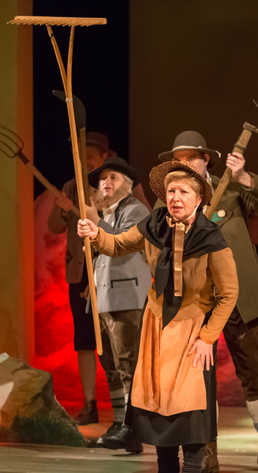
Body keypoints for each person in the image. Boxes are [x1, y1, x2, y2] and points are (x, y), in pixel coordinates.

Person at [77, 160, 238, 473]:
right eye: (171, 191)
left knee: (190, 412)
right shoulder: (154, 226)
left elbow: (229, 293)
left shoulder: (211, 239)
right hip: (156, 327)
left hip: (192, 332)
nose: (176, 197)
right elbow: (117, 244)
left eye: (184, 191)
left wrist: (207, 338)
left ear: (198, 198)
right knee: (160, 408)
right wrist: (95, 233)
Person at [157, 130, 258, 472]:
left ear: (206, 160)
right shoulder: (168, 200)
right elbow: (154, 242)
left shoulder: (230, 187)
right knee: (199, 380)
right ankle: (206, 452)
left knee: (254, 372)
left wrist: (244, 176)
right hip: (193, 303)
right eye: (179, 160)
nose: (185, 165)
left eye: (191, 158)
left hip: (237, 295)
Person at [82, 157, 151, 452]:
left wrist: (96, 223)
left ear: (128, 184)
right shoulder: (106, 214)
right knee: (109, 364)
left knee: (127, 364)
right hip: (104, 298)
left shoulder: (136, 210)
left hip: (127, 298)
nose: (106, 182)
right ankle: (120, 422)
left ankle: (132, 427)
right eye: (102, 179)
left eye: (113, 177)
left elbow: (122, 243)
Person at [49, 131, 110, 425]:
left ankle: (127, 407)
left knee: (114, 340)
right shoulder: (71, 187)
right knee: (84, 339)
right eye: (81, 157)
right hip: (80, 273)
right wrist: (62, 211)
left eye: (92, 157)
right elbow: (54, 226)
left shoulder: (115, 183)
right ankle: (89, 403)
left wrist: (99, 212)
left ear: (104, 158)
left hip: (109, 270)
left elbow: (139, 221)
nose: (86, 163)